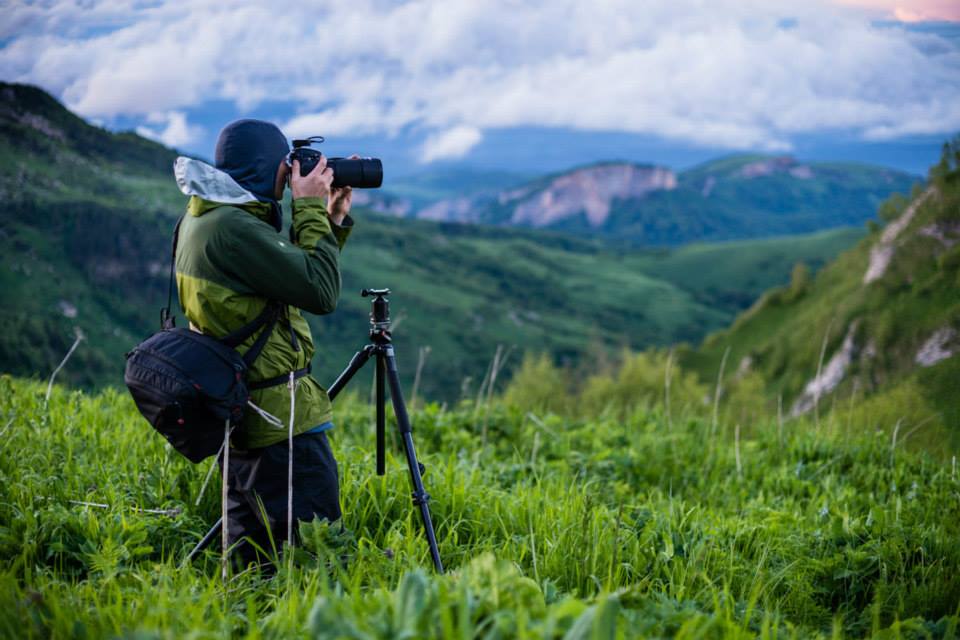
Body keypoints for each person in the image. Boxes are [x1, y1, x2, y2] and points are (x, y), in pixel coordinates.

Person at [172, 119, 355, 566]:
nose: (291, 177)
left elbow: (285, 276)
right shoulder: (232, 228)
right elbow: (319, 291)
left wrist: (330, 220)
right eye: (285, 168)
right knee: (318, 557)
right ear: (266, 169)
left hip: (243, 411)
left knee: (253, 559)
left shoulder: (206, 217)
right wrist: (309, 208)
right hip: (279, 422)